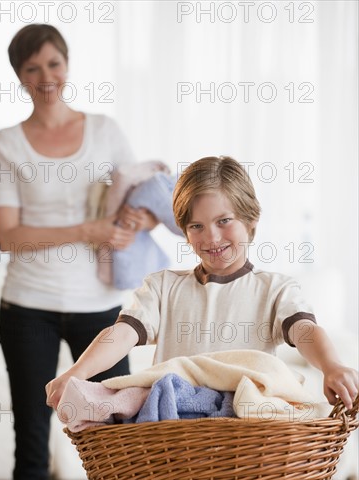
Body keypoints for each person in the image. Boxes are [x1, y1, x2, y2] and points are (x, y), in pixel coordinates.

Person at [0, 24, 158, 480]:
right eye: (33, 68)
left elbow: (148, 203)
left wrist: (133, 222)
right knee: (32, 447)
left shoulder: (106, 130)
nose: (46, 77)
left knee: (122, 435)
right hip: (28, 309)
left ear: (68, 65)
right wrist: (87, 230)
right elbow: (7, 235)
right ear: (19, 75)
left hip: (101, 311)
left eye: (54, 64)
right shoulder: (6, 143)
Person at [46, 155, 358, 414]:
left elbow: (304, 331)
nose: (211, 237)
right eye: (197, 226)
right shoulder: (163, 286)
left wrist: (331, 366)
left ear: (251, 221)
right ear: (184, 232)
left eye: (224, 221)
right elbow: (122, 334)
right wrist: (77, 373)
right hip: (177, 436)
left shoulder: (275, 289)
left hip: (245, 432)